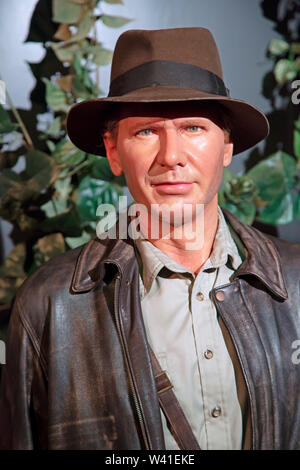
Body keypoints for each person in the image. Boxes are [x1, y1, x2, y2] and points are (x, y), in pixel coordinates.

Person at [0, 27, 300, 451]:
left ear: (227, 146)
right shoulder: (50, 305)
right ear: (113, 151)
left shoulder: (297, 283)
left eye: (194, 127)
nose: (171, 155)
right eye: (146, 131)